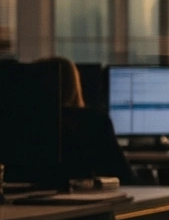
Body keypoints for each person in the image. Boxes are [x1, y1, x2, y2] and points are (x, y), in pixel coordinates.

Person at [7, 57, 137, 187]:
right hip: (84, 200)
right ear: (73, 84)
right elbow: (123, 176)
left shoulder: (15, 124)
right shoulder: (92, 121)